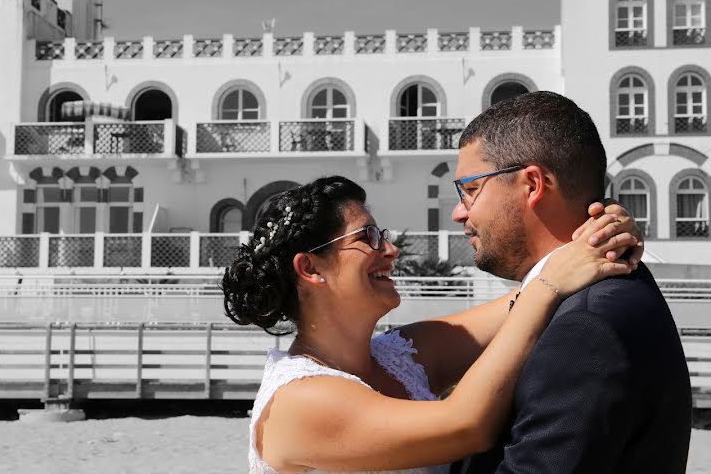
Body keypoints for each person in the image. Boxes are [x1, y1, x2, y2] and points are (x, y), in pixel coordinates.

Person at [222, 173, 643, 473]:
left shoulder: (404, 353)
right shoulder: (298, 402)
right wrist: (550, 283)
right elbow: (466, 425)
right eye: (367, 237)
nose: (390, 250)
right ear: (310, 268)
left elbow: (521, 303)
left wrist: (597, 235)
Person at [453, 91, 691, 474]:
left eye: (469, 189)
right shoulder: (585, 296)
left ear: (532, 184)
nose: (458, 212)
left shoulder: (585, 325)